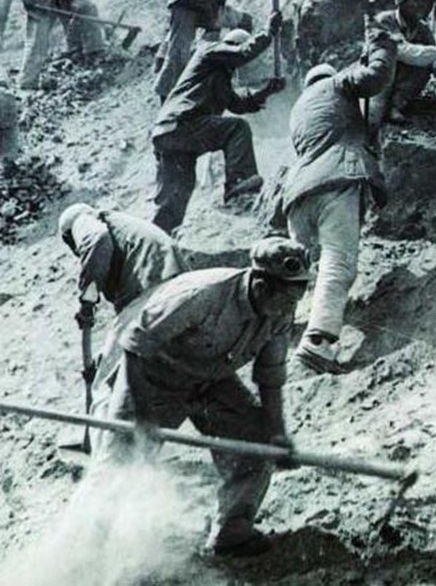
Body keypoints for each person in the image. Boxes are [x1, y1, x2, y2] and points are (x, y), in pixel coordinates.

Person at [95, 237, 309, 558]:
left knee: (258, 438)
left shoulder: (280, 311)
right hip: (151, 374)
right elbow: (135, 346)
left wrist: (277, 434)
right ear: (261, 286)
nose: (290, 308)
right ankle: (88, 546)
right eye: (286, 298)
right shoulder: (202, 296)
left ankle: (232, 530)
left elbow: (270, 376)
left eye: (297, 297)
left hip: (211, 378)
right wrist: (143, 415)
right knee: (121, 462)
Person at [277, 29, 397, 373]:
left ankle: (275, 327)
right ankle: (318, 343)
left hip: (297, 195)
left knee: (294, 268)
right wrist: (382, 45)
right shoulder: (335, 84)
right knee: (338, 261)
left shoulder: (299, 110)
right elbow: (376, 78)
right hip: (335, 181)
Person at [151, 16, 284, 234]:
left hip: (168, 134)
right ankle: (238, 184)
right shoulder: (210, 51)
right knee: (237, 128)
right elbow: (242, 53)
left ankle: (158, 238)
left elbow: (238, 105)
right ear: (230, 46)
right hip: (183, 122)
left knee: (175, 197)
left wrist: (267, 91)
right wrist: (268, 33)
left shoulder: (218, 76)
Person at [58, 203, 249, 312]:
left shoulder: (81, 221)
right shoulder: (118, 224)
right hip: (168, 271)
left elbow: (97, 240)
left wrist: (87, 299)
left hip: (149, 279)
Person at [372, 0, 436, 125]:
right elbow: (404, 51)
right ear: (401, 2)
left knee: (424, 66)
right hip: (379, 77)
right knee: (372, 118)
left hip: (400, 79)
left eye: (424, 1)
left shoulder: (423, 29)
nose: (421, 5)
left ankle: (396, 105)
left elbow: (434, 61)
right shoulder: (385, 21)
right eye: (415, 0)